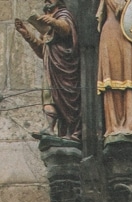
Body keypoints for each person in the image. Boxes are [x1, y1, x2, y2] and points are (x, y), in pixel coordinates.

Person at [14, 0, 81, 140]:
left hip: (64, 67)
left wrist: (52, 22)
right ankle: (50, 128)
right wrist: (26, 34)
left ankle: (73, 132)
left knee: (67, 100)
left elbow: (66, 29)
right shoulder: (50, 22)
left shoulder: (64, 14)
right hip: (50, 67)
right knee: (48, 97)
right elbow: (42, 51)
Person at [97, 0, 132, 140]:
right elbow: (122, 9)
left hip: (131, 37)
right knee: (116, 78)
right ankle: (116, 125)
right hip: (114, 33)